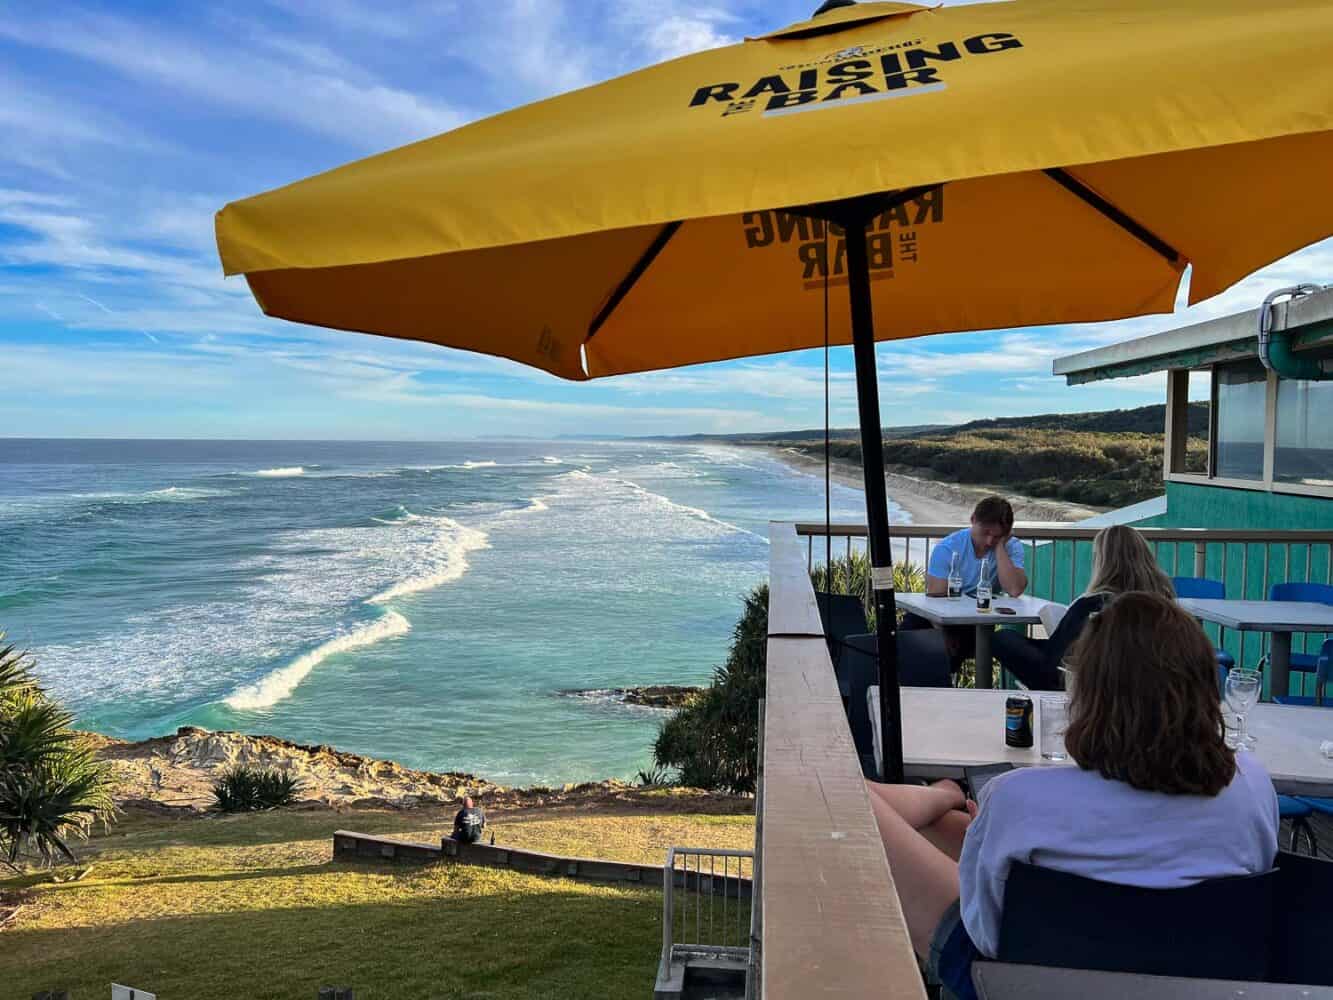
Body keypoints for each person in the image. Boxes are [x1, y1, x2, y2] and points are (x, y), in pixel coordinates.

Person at [865, 592, 1278, 1000]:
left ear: (1090, 696)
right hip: (1197, 982)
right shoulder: (1253, 788)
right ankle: (942, 801)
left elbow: (986, 934)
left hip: (1026, 985)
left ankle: (942, 796)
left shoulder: (1019, 798)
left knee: (860, 805)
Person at [993, 524, 1175, 690]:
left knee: (1002, 639)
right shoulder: (1162, 602)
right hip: (1138, 681)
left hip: (1081, 681)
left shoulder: (1094, 604)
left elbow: (1056, 656)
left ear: (1103, 562)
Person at [902, 496, 1028, 671]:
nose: (990, 541)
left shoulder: (1011, 547)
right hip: (938, 619)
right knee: (911, 634)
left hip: (977, 621)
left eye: (997, 536)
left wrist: (1000, 549)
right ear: (973, 520)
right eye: (985, 533)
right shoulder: (948, 548)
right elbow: (936, 598)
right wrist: (945, 632)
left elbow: (1014, 589)